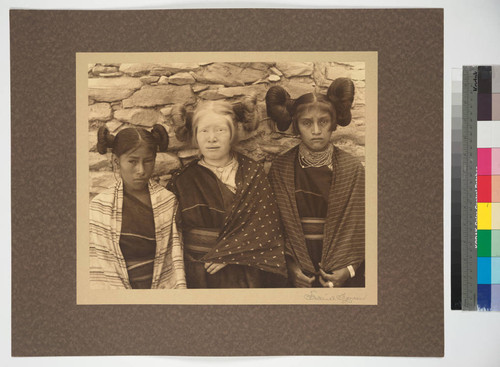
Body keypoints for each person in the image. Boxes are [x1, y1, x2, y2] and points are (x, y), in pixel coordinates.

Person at [168, 100, 287, 288]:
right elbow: (171, 238)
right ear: (195, 135)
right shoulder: (181, 181)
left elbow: (268, 228)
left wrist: (230, 252)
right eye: (204, 130)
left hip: (245, 273)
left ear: (232, 133)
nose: (212, 138)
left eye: (220, 130)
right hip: (199, 274)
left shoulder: (252, 172)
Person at [266, 78, 365, 288]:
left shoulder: (352, 168)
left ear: (334, 124)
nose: (317, 130)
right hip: (294, 262)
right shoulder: (281, 169)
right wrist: (290, 267)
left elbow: (361, 226)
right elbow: (271, 226)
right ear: (296, 126)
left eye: (323, 122)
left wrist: (349, 269)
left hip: (342, 262)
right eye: (307, 123)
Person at [89, 124, 186, 289]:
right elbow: (101, 265)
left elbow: (173, 259)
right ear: (116, 161)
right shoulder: (100, 206)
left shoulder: (167, 201)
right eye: (132, 161)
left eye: (148, 161)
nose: (141, 170)